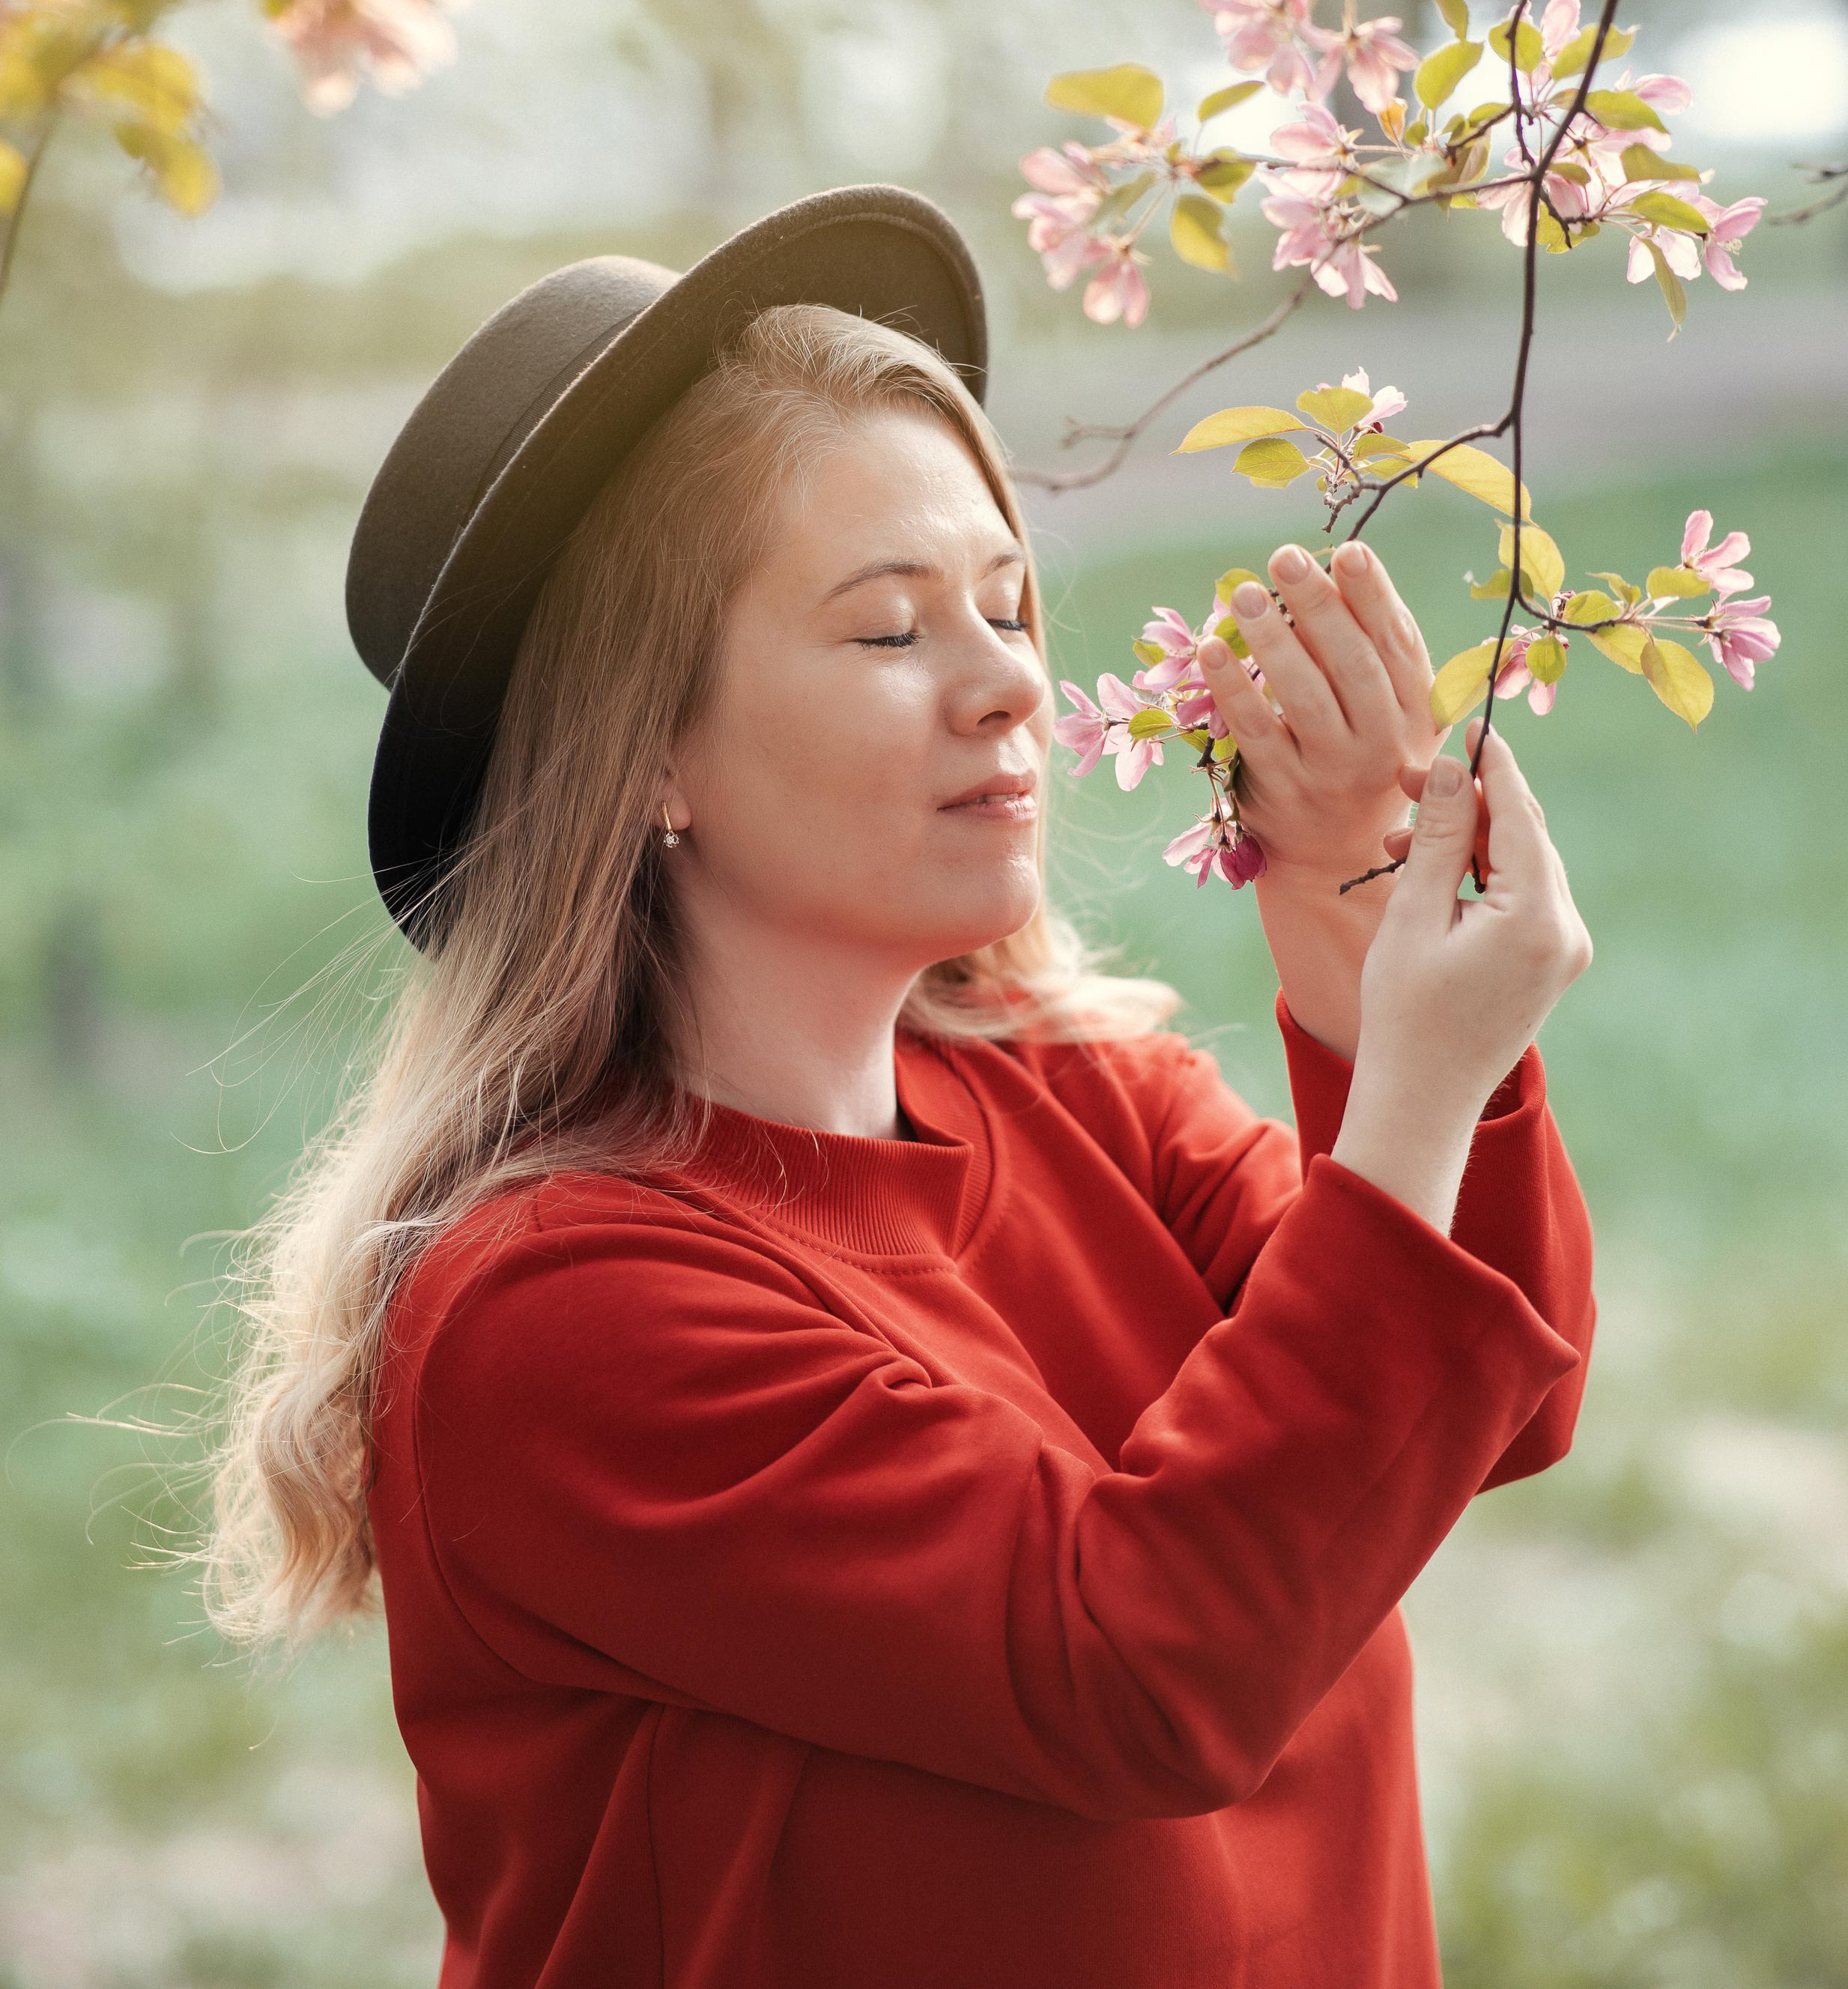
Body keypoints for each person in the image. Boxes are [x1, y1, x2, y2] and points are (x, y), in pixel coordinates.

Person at [202, 184, 1595, 1989]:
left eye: (1008, 605)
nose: (1008, 680)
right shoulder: (554, 1313)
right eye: (888, 629)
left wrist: (1346, 923)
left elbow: (1480, 1406)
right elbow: (1147, 1666)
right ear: (649, 756)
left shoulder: (1087, 1098)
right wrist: (1407, 1083)